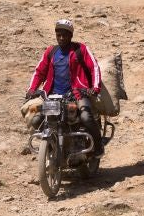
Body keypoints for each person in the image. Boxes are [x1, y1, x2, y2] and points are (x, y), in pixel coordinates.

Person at [26, 19, 106, 156]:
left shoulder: (81, 49)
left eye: (65, 35)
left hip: (77, 93)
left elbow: (94, 68)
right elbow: (39, 71)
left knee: (86, 117)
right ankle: (50, 145)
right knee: (36, 118)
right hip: (52, 95)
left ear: (71, 36)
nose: (61, 38)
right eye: (59, 35)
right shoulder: (51, 51)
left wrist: (94, 88)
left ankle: (98, 146)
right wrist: (32, 89)